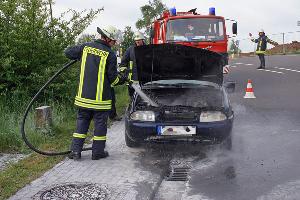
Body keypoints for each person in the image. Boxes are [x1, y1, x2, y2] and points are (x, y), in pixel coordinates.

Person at [64, 25, 126, 160]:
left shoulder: (86, 47)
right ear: (108, 39)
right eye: (114, 41)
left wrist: (80, 56)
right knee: (100, 126)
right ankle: (97, 153)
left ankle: (75, 151)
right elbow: (113, 80)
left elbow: (68, 52)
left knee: (82, 122)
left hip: (84, 97)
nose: (114, 43)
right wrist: (122, 79)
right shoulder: (109, 54)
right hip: (101, 100)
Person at [119, 31, 145, 98]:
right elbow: (123, 63)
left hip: (144, 81)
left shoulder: (147, 49)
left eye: (139, 40)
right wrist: (125, 74)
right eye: (136, 40)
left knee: (144, 100)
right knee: (133, 100)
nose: (137, 42)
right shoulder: (130, 50)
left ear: (142, 39)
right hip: (132, 81)